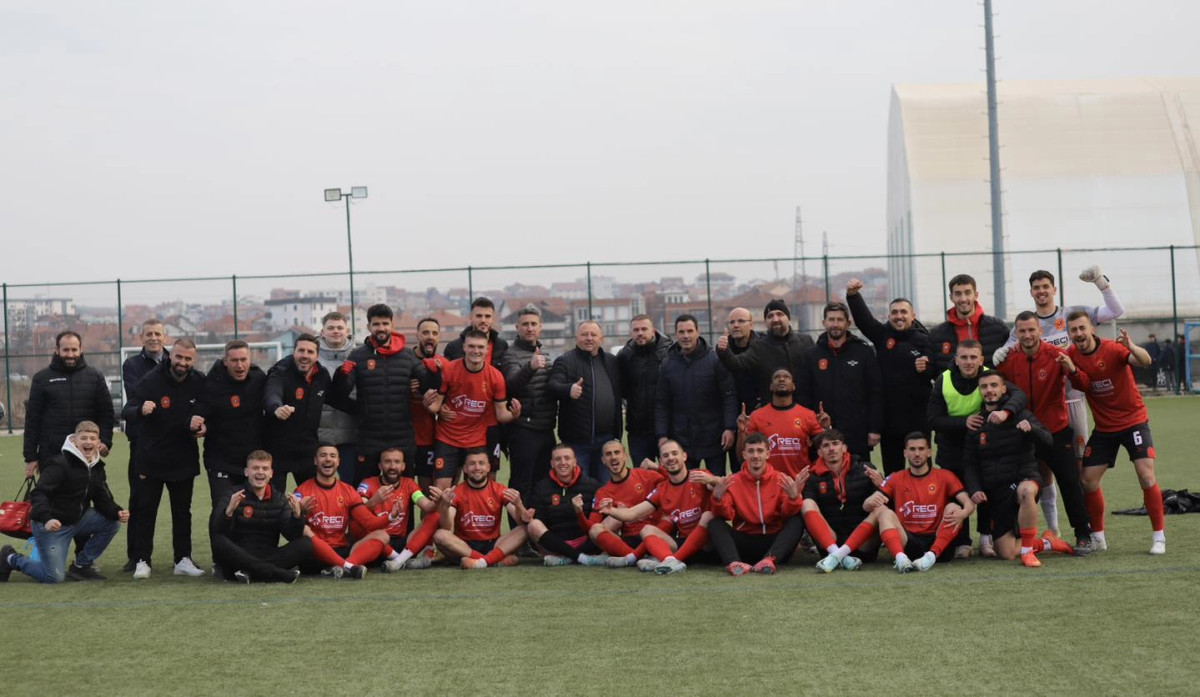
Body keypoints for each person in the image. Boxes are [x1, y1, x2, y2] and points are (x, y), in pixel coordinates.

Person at [991, 267, 1126, 525]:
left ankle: (1093, 529)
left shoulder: (1072, 314)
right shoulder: (1026, 325)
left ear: (1054, 289)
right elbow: (1007, 353)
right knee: (1044, 471)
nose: (1041, 291)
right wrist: (1000, 353)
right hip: (1042, 408)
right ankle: (1054, 529)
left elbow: (1116, 311)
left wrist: (1101, 283)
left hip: (1072, 401)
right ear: (1031, 292)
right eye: (1036, 288)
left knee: (1080, 472)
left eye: (1046, 286)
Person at [1063, 313, 1166, 555]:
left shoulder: (1112, 349)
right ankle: (1098, 537)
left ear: (1092, 329)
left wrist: (1131, 346)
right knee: (1087, 480)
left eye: (1082, 328)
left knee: (1146, 476)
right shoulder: (1071, 355)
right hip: (1104, 428)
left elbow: (1146, 360)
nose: (1078, 333)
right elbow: (1083, 384)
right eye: (1073, 330)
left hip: (1133, 422)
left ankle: (1159, 537)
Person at [995, 312, 1093, 552]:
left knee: (1070, 483)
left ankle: (1083, 534)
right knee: (1020, 486)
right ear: (1016, 333)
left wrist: (1072, 370)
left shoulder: (1056, 355)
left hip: (1056, 431)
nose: (1027, 335)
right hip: (1022, 434)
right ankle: (1016, 534)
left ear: (1040, 331)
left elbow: (1083, 384)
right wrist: (993, 362)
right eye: (1022, 331)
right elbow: (993, 389)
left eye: (1032, 330)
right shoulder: (1009, 359)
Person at [961, 373, 1075, 567]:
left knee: (1026, 491)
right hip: (997, 492)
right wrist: (975, 489)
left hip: (1024, 477)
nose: (989, 390)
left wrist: (1032, 429)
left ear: (1003, 389)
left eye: (994, 385)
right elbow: (969, 463)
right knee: (1006, 553)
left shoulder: (1020, 414)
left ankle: (1028, 551)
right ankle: (1047, 543)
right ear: (979, 391)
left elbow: (1048, 441)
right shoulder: (977, 423)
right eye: (984, 387)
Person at [927, 340, 1027, 558]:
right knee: (957, 494)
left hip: (984, 446)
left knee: (985, 490)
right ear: (956, 359)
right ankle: (962, 542)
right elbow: (933, 419)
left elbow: (1019, 395)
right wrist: (963, 422)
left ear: (981, 359)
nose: (969, 362)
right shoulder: (943, 380)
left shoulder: (990, 376)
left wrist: (1006, 412)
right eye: (964, 357)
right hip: (951, 449)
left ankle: (985, 538)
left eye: (973, 357)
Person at [1, 421, 129, 584]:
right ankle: (10, 558)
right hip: (51, 526)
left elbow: (101, 498)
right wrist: (47, 519)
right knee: (53, 577)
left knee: (112, 522)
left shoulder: (96, 467)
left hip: (77, 521)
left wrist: (117, 511)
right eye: (84, 438)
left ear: (98, 443)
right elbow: (38, 493)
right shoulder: (60, 464)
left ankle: (81, 565)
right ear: (74, 441)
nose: (88, 442)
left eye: (92, 438)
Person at [122, 338, 207, 579]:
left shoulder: (199, 381)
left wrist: (204, 425)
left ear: (193, 360)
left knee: (182, 512)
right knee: (146, 511)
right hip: (151, 458)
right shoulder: (151, 380)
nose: (182, 362)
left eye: (188, 359)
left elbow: (208, 408)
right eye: (179, 357)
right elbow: (127, 410)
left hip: (183, 458)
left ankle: (182, 559)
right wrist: (141, 410)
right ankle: (142, 560)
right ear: (171, 356)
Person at [329, 303, 427, 485]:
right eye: (376, 324)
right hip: (369, 438)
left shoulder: (407, 355)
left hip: (402, 436)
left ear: (392, 325)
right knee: (364, 490)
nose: (381, 328)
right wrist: (342, 376)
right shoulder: (358, 356)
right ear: (369, 327)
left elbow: (429, 385)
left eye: (385, 323)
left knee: (406, 490)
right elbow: (339, 396)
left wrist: (432, 373)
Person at [845, 280, 933, 474]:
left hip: (918, 419)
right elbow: (864, 321)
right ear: (889, 316)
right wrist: (853, 296)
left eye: (903, 312)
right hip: (890, 421)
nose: (899, 316)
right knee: (893, 473)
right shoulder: (882, 335)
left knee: (923, 469)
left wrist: (927, 368)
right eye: (894, 312)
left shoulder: (925, 340)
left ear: (913, 316)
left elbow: (936, 371)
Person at [597, 439, 717, 574]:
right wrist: (611, 510)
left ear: (684, 456)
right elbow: (632, 513)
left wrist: (712, 480)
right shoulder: (662, 489)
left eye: (674, 453)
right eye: (666, 456)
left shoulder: (699, 475)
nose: (670, 458)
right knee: (647, 529)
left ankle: (668, 560)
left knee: (708, 516)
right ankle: (664, 560)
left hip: (708, 544)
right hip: (681, 543)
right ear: (661, 462)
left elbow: (723, 486)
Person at [865, 433, 975, 573]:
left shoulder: (945, 476)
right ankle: (900, 559)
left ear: (929, 452)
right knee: (884, 513)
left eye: (921, 449)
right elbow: (867, 505)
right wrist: (870, 501)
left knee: (953, 507)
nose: (917, 454)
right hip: (909, 543)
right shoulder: (896, 478)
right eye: (912, 449)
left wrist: (963, 514)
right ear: (905, 453)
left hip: (938, 544)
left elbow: (969, 503)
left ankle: (931, 556)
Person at [425, 330, 521, 490]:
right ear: (464, 347)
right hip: (447, 437)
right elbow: (435, 406)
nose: (476, 351)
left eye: (480, 347)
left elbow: (501, 414)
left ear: (487, 349)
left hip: (477, 440)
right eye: (471, 346)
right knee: (442, 488)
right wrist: (427, 403)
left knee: (480, 486)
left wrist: (514, 414)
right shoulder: (450, 370)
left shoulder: (495, 377)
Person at [295, 445, 405, 578]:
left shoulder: (348, 491)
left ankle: (343, 567)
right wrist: (300, 512)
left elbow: (369, 522)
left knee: (382, 535)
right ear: (315, 460)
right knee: (305, 531)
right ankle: (348, 567)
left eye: (333, 456)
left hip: (342, 550)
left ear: (338, 462)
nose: (328, 459)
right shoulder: (302, 491)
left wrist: (391, 517)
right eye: (323, 455)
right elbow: (291, 526)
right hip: (315, 555)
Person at [707, 433, 806, 576]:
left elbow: (787, 513)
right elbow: (726, 514)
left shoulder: (781, 478)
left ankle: (769, 560)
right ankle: (734, 563)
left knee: (797, 520)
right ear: (744, 455)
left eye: (760, 451)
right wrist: (717, 498)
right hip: (745, 541)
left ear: (768, 454)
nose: (755, 456)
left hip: (774, 542)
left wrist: (793, 498)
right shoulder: (733, 481)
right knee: (714, 523)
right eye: (751, 451)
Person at [209, 450, 313, 583]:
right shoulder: (233, 494)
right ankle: (275, 573)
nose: (260, 472)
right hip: (239, 554)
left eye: (265, 468)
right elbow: (219, 530)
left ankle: (250, 572)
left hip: (269, 554)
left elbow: (291, 534)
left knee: (306, 544)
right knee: (218, 540)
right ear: (246, 472)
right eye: (255, 468)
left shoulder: (280, 499)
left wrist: (297, 517)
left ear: (271, 473)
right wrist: (228, 512)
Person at [797, 302, 883, 460]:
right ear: (824, 323)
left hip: (857, 433)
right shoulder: (811, 355)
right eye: (831, 319)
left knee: (858, 474)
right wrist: (808, 429)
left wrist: (874, 428)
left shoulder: (863, 352)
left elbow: (875, 393)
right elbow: (804, 396)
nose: (835, 324)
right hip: (822, 434)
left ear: (848, 323)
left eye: (839, 319)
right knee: (824, 474)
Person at [23, 330, 114, 479]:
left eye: (74, 349)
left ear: (81, 349)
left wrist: (105, 441)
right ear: (57, 350)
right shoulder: (42, 378)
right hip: (51, 454)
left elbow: (106, 414)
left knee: (88, 493)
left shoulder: (95, 377)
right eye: (66, 350)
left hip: (86, 452)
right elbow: (32, 420)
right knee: (51, 493)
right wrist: (31, 457)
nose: (70, 354)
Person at [655, 314, 738, 474]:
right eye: (681, 332)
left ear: (698, 332)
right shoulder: (667, 364)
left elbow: (729, 396)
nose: (686, 336)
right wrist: (662, 434)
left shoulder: (715, 359)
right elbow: (662, 402)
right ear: (676, 334)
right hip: (682, 440)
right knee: (686, 486)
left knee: (716, 484)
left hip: (714, 438)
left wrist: (730, 427)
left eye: (690, 331)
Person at [191, 340, 268, 508]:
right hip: (221, 461)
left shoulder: (259, 379)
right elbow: (201, 413)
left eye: (243, 359)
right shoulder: (213, 384)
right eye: (234, 360)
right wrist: (201, 426)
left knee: (252, 512)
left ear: (250, 359)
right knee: (223, 510)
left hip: (251, 461)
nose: (239, 365)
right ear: (225, 361)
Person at [119, 318, 168, 571]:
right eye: (149, 334)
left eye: (158, 334)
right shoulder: (131, 365)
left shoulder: (175, 360)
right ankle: (136, 556)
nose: (153, 338)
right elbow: (139, 392)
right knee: (140, 502)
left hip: (172, 442)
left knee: (181, 507)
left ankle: (183, 557)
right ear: (141, 338)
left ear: (165, 337)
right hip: (142, 443)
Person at [547, 320, 622, 483]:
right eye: (584, 334)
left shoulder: (611, 361)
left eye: (593, 334)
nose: (589, 338)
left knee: (607, 488)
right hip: (577, 443)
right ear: (576, 337)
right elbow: (552, 386)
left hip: (607, 441)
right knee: (581, 487)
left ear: (601, 338)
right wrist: (568, 389)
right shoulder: (565, 360)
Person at [800, 430, 884, 572]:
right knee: (806, 503)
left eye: (835, 444)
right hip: (830, 543)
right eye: (826, 445)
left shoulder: (865, 469)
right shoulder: (811, 476)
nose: (831, 448)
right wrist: (794, 494)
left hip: (862, 544)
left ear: (844, 448)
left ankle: (837, 556)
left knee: (881, 509)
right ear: (819, 452)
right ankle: (837, 554)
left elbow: (884, 500)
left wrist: (881, 486)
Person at [433, 449, 530, 569]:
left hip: (493, 544)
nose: (477, 467)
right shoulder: (457, 492)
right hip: (464, 546)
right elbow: (447, 528)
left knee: (525, 529)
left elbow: (520, 521)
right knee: (440, 535)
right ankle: (491, 560)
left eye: (481, 463)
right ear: (465, 469)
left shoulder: (499, 490)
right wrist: (445, 507)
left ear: (488, 467)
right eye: (472, 464)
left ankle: (479, 562)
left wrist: (519, 505)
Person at [443, 297, 509, 469]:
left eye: (487, 316)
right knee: (455, 472)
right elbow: (443, 381)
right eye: (479, 316)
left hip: (490, 423)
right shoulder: (454, 347)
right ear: (470, 318)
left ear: (493, 319)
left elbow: (506, 381)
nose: (483, 320)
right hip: (459, 424)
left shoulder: (502, 346)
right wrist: (440, 406)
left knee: (487, 472)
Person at [501, 306, 557, 505]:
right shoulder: (511, 355)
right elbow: (511, 384)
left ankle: (538, 523)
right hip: (523, 430)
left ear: (540, 327)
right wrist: (530, 367)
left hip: (546, 429)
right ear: (517, 327)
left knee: (544, 484)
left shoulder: (545, 353)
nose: (530, 328)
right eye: (525, 324)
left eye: (534, 324)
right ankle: (518, 523)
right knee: (521, 484)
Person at [356, 446, 444, 570]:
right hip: (377, 541)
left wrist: (438, 501)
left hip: (402, 544)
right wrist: (374, 501)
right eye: (387, 462)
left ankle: (398, 561)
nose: (392, 466)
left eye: (397, 462)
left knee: (434, 516)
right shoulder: (367, 484)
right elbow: (357, 513)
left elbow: (427, 506)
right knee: (361, 527)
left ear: (403, 466)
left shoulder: (409, 484)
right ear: (380, 466)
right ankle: (402, 561)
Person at [716, 299, 815, 407]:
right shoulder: (759, 346)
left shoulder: (806, 342)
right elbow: (738, 364)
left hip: (805, 410)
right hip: (772, 412)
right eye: (770, 316)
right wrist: (724, 350)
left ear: (788, 318)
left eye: (780, 314)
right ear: (765, 322)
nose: (775, 319)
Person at [264, 334, 332, 491]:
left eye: (310, 352)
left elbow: (338, 400)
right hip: (277, 451)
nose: (305, 355)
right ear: (294, 352)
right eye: (301, 350)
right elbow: (272, 392)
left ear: (317, 356)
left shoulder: (322, 376)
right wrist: (276, 408)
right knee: (274, 500)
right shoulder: (280, 371)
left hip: (307, 451)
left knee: (312, 500)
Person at [584, 440, 665, 565]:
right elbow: (592, 527)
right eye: (608, 454)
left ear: (625, 456)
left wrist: (658, 468)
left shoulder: (646, 475)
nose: (613, 457)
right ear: (603, 460)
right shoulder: (602, 492)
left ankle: (632, 557)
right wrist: (579, 512)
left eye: (617, 452)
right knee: (596, 529)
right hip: (629, 539)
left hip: (654, 533)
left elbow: (676, 483)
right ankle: (635, 557)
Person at [737, 368, 829, 476]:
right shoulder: (757, 416)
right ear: (771, 387)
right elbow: (743, 457)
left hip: (801, 481)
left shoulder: (808, 415)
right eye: (777, 377)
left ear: (793, 386)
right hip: (768, 481)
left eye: (786, 377)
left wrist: (826, 429)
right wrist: (741, 432)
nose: (781, 379)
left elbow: (825, 450)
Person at [524, 444, 604, 566]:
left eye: (567, 458)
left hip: (585, 541)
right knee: (533, 525)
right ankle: (579, 558)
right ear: (552, 463)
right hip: (556, 544)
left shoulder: (592, 485)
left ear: (575, 461)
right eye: (558, 459)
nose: (563, 463)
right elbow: (539, 520)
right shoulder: (541, 487)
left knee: (610, 519)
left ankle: (568, 558)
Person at [617, 314, 672, 466]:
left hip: (667, 430)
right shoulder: (624, 356)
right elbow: (623, 390)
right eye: (636, 330)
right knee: (642, 475)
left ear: (653, 331)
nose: (640, 333)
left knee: (669, 474)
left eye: (644, 329)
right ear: (631, 333)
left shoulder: (670, 352)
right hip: (638, 431)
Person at [928, 274, 1008, 374]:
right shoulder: (937, 334)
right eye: (958, 294)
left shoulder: (998, 328)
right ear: (951, 297)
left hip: (989, 384)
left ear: (976, 295)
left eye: (967, 293)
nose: (963, 299)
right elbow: (930, 371)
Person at [316, 311, 359, 483]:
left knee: (351, 487)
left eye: (340, 328)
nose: (336, 331)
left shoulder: (359, 356)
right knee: (318, 489)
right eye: (331, 328)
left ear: (347, 331)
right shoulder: (310, 357)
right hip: (319, 437)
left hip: (351, 436)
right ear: (322, 332)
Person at [720, 307, 760, 473]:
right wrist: (729, 426)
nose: (735, 325)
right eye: (732, 322)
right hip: (733, 421)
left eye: (741, 321)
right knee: (738, 470)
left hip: (760, 417)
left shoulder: (762, 347)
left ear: (751, 324)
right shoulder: (721, 351)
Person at [409, 317, 447, 492]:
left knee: (429, 491)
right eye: (425, 332)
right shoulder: (404, 360)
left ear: (439, 337)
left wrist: (443, 408)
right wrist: (405, 388)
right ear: (417, 335)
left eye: (434, 333)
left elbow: (452, 397)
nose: (430, 336)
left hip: (429, 437)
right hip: (404, 437)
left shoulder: (444, 365)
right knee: (402, 489)